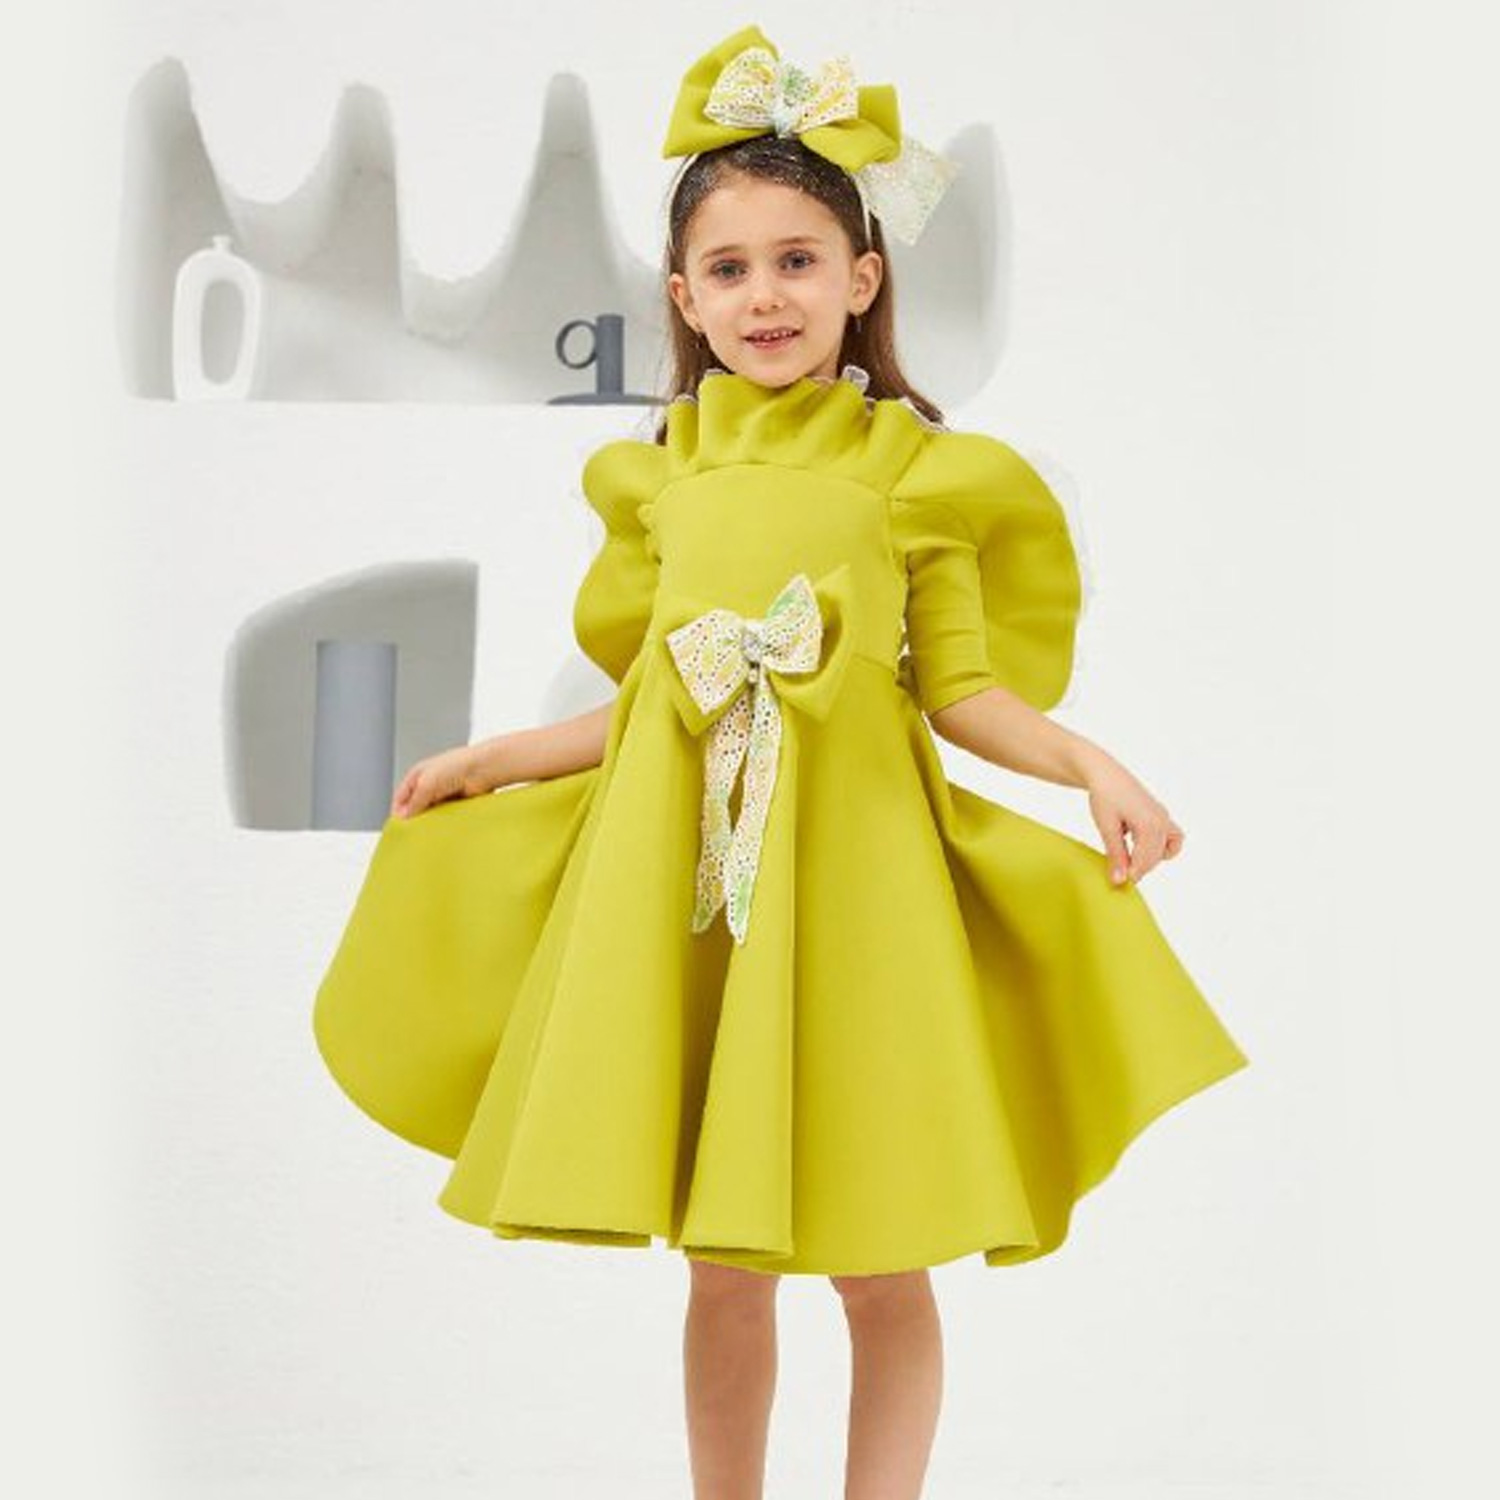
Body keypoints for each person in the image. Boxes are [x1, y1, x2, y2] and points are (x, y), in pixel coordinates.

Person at [313, 24, 1251, 1500]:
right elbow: (647, 702)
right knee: (725, 1263)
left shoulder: (917, 475)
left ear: (863, 280)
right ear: (684, 297)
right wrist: (496, 758)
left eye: (799, 261)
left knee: (881, 1256)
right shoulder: (661, 478)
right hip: (705, 888)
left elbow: (964, 693)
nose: (766, 295)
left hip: (857, 894)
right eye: (732, 268)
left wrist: (1088, 766)